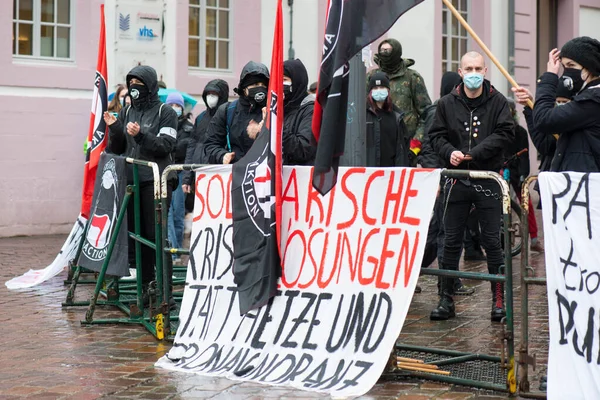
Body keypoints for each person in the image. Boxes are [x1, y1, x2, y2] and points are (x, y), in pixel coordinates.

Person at [429, 51, 514, 321]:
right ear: (461, 71)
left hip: (487, 178)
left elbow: (505, 133)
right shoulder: (446, 103)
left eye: (478, 67)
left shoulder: (498, 101)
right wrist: (449, 152)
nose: (474, 72)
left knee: (492, 240)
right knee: (451, 241)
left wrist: (476, 152)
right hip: (456, 179)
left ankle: (498, 301)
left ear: (485, 70)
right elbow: (436, 136)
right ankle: (446, 299)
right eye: (469, 68)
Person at [103, 65, 178, 303]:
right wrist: (115, 128)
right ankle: (146, 287)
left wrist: (141, 135)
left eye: (139, 83)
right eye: (131, 82)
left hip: (155, 183)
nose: (134, 88)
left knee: (155, 236)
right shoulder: (127, 111)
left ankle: (165, 290)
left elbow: (166, 145)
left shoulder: (166, 112)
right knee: (139, 239)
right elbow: (118, 148)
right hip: (133, 181)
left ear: (150, 86)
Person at [418, 71, 476, 295]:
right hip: (445, 179)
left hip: (451, 177)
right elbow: (429, 146)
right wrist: (438, 179)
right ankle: (449, 281)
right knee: (447, 233)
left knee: (437, 233)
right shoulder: (439, 109)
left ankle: (418, 271)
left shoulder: (450, 107)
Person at [528, 37, 600, 172]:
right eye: (564, 66)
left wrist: (549, 77)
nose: (566, 72)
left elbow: (543, 119)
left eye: (571, 66)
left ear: (589, 68)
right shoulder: (587, 98)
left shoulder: (592, 101)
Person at [369, 39, 432, 147]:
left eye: (388, 50)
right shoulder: (371, 77)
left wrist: (415, 145)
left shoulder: (412, 78)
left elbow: (426, 114)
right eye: (382, 50)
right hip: (377, 144)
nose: (385, 53)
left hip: (406, 144)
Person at [203, 61, 270, 164]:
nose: (260, 88)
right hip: (235, 173)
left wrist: (265, 131)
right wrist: (221, 156)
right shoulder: (227, 111)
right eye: (255, 84)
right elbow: (211, 144)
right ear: (244, 88)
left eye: (263, 85)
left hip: (264, 173)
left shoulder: (272, 111)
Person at [504, 98, 544, 253]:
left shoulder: (520, 132)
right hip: (500, 169)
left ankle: (533, 238)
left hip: (516, 169)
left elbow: (524, 156)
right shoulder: (496, 128)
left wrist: (523, 175)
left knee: (526, 203)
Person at [181, 79, 230, 195]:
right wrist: (187, 178)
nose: (210, 97)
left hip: (219, 173)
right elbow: (191, 148)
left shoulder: (229, 115)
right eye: (208, 94)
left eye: (214, 94)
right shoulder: (200, 118)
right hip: (200, 173)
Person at [166, 92, 194, 263]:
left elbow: (185, 149)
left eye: (177, 106)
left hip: (180, 171)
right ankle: (172, 253)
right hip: (166, 171)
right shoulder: (164, 124)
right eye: (172, 105)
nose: (175, 108)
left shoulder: (188, 128)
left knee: (178, 213)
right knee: (168, 212)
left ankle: (176, 253)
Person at [365, 71, 410, 167]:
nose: (379, 90)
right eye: (375, 88)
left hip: (391, 172)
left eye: (382, 87)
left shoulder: (397, 116)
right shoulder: (364, 114)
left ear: (388, 90)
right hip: (369, 172)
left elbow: (403, 146)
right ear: (370, 91)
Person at [282, 59, 317, 165]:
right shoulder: (280, 108)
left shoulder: (311, 110)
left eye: (284, 79)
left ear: (297, 81)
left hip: (301, 178)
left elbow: (303, 150)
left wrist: (276, 129)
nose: (280, 84)